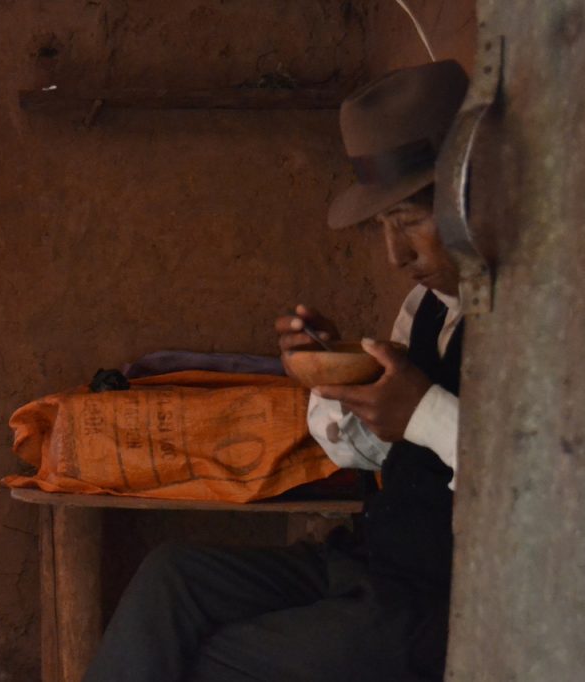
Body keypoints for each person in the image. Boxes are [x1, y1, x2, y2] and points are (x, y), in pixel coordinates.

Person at [83, 59, 469, 682]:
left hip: (444, 602)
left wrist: (425, 412)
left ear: (471, 194)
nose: (396, 255)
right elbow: (367, 452)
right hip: (371, 567)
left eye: (410, 222)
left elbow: (546, 489)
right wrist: (333, 379)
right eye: (383, 228)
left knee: (214, 661)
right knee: (171, 578)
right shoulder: (426, 308)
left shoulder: (538, 329)